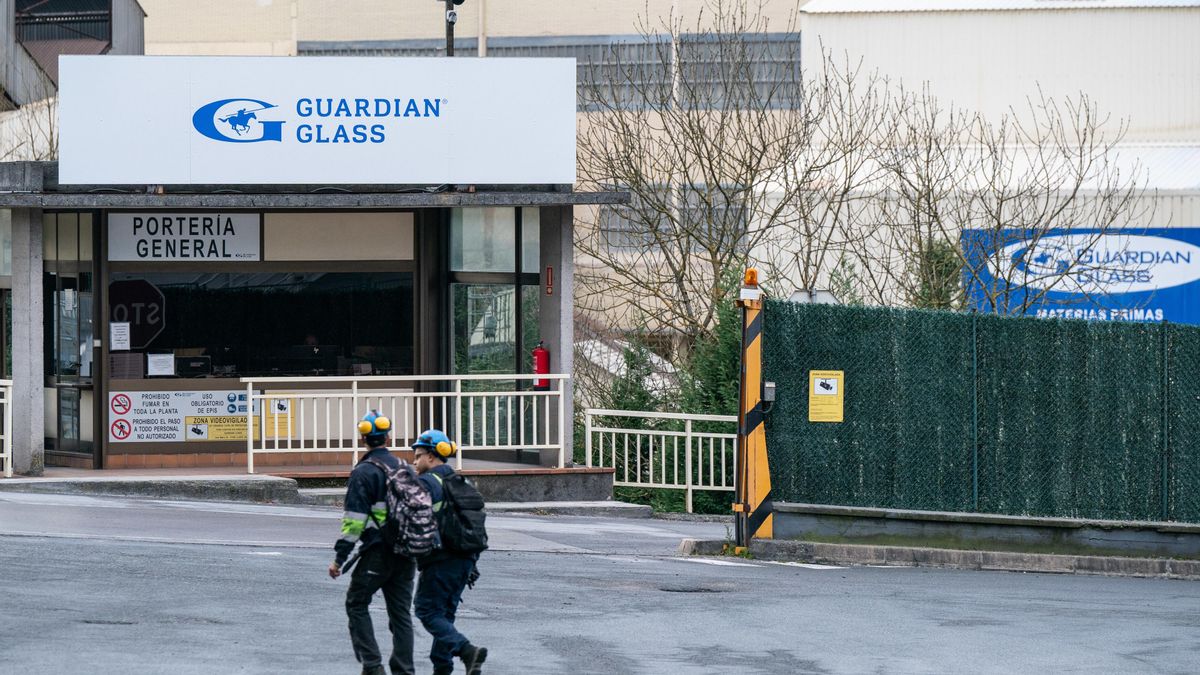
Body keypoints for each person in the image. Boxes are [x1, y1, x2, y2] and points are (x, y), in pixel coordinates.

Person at [328, 411, 417, 675]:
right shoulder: (404, 467)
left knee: (356, 603)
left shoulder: (364, 472)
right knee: (400, 614)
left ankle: (373, 665)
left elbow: (354, 522)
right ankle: (404, 670)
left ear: (364, 439)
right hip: (407, 550)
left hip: (378, 550)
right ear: (388, 437)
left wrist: (339, 559)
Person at [411, 429, 488, 675]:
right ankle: (442, 667)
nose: (414, 462)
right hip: (466, 560)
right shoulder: (460, 482)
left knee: (426, 610)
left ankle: (467, 651)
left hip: (441, 560)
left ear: (432, 457)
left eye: (418, 456)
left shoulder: (427, 482)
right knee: (444, 615)